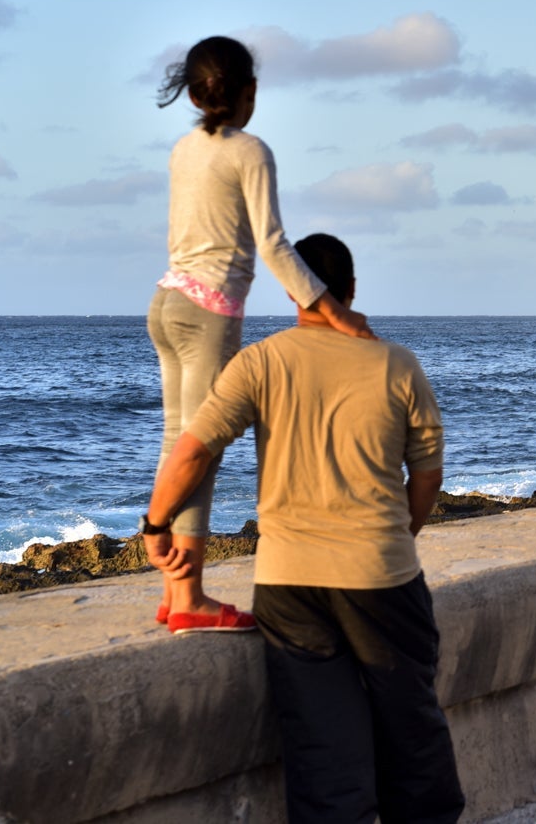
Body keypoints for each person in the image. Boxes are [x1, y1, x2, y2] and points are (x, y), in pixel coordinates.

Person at [143, 234, 464, 823]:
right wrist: (400, 535)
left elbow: (193, 450)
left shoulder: (262, 362)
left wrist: (156, 522)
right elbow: (427, 476)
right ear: (351, 291)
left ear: (296, 293)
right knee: (412, 734)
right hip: (382, 576)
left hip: (289, 585)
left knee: (323, 755)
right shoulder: (396, 364)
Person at [145, 36, 375, 635]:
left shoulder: (182, 149)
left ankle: (176, 594)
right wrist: (334, 310)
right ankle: (190, 597)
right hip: (208, 313)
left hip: (166, 302)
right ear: (249, 92)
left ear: (193, 93)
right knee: (204, 447)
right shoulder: (250, 151)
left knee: (178, 440)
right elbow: (272, 244)